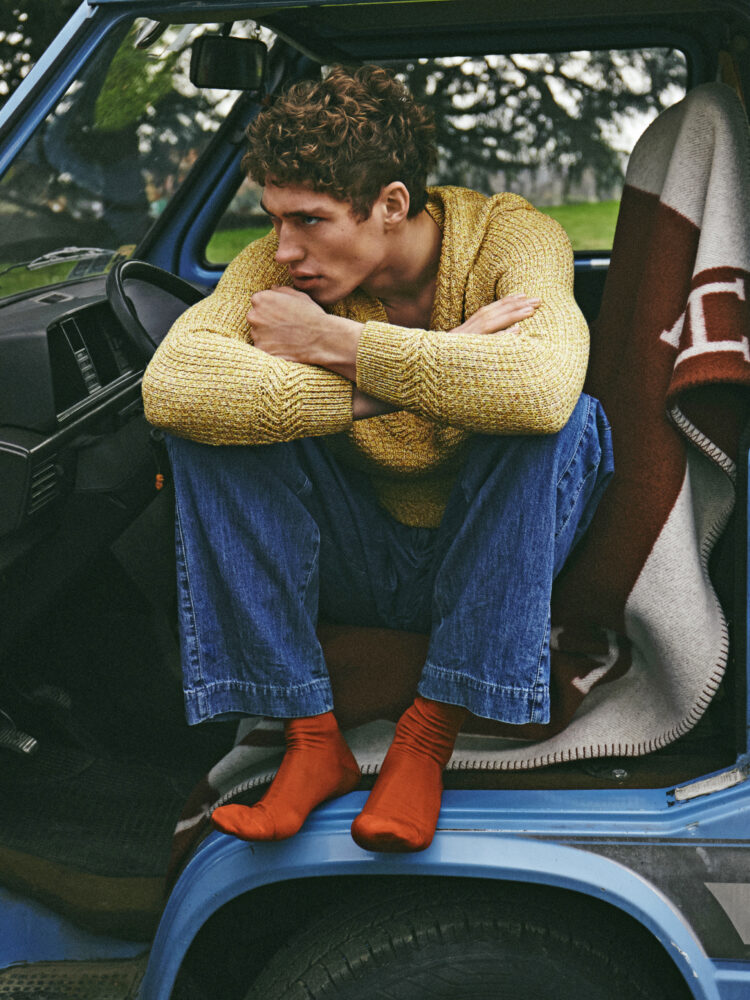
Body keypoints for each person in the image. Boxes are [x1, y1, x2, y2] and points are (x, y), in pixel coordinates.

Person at [142, 64, 613, 853]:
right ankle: (309, 736)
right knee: (207, 428)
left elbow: (538, 388)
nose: (286, 247)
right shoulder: (280, 264)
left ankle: (426, 740)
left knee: (566, 422)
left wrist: (334, 341)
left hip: (491, 544)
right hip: (356, 551)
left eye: (311, 220)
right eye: (275, 218)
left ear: (392, 204)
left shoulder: (513, 237)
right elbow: (173, 387)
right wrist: (403, 381)